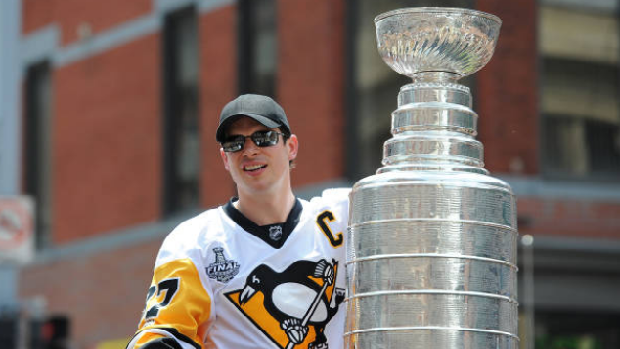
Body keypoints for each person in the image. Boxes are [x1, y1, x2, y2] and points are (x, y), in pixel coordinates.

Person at [126, 94, 350, 349]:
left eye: (264, 138)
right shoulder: (195, 241)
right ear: (225, 158)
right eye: (235, 143)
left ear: (291, 147)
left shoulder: (342, 218)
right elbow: (163, 331)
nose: (250, 150)